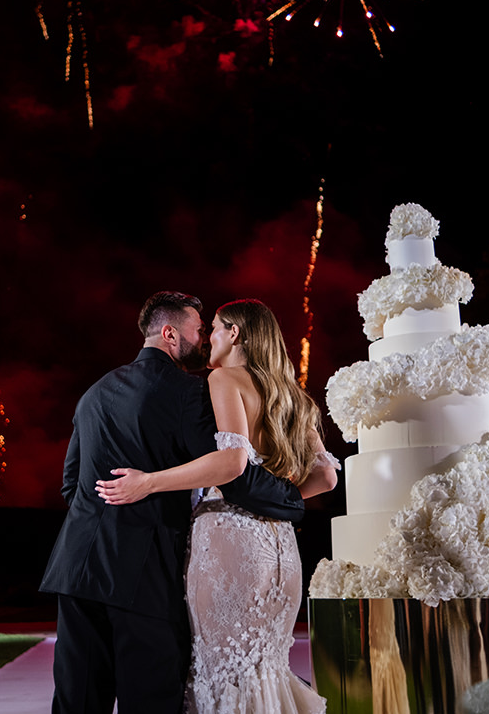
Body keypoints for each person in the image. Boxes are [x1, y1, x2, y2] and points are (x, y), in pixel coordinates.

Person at [40, 291, 307, 714]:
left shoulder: (93, 393)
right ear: (169, 334)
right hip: (143, 573)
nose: (203, 339)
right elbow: (231, 474)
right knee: (149, 699)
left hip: (77, 570)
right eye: (197, 329)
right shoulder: (188, 392)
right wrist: (293, 499)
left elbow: (72, 485)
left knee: (76, 702)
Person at [96, 298, 339, 714]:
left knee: (223, 672)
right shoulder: (293, 394)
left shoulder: (225, 379)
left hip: (231, 544)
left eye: (215, 329)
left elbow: (232, 462)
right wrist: (282, 498)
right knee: (265, 669)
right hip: (281, 548)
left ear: (235, 334)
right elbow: (327, 477)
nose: (208, 338)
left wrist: (149, 482)